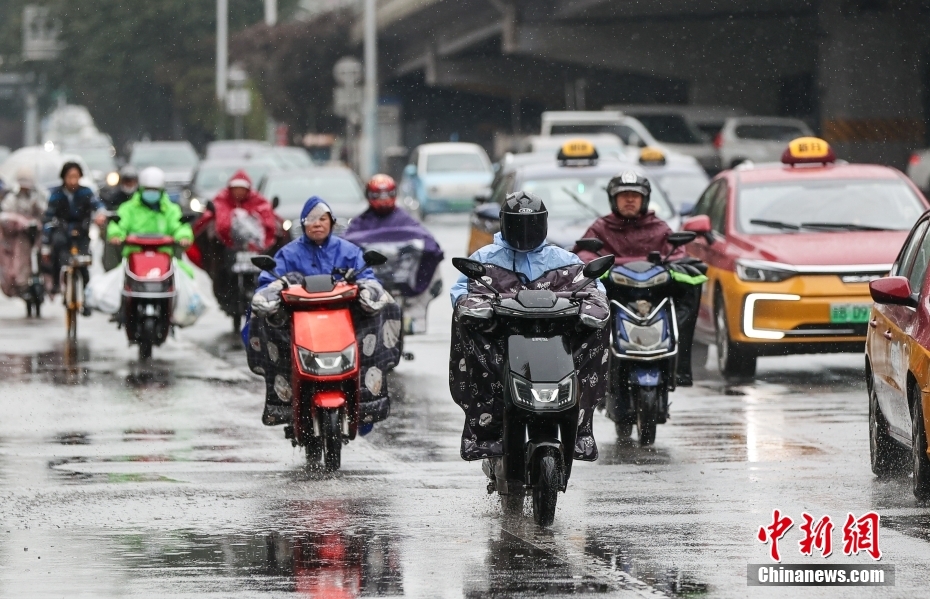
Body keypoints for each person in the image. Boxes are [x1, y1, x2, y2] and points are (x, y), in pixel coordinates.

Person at [449, 191, 609, 461]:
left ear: (543, 223)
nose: (525, 232)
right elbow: (461, 292)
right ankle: (486, 431)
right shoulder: (484, 258)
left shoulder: (564, 259)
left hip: (556, 345)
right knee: (462, 319)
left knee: (601, 320)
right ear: (504, 223)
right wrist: (476, 308)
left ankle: (580, 427)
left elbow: (594, 289)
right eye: (517, 224)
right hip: (501, 344)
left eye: (532, 224)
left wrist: (591, 308)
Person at [247, 196, 402, 428]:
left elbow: (367, 278)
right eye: (311, 220)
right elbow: (268, 282)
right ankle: (283, 403)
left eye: (322, 219)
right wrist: (273, 292)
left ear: (332, 222)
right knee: (261, 316)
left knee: (388, 307)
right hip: (298, 324)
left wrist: (369, 291)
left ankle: (368, 400)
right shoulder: (288, 254)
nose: (317, 224)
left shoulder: (349, 251)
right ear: (303, 224)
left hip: (344, 323)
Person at [573, 170, 706, 386]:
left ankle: (680, 367)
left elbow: (678, 255)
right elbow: (583, 254)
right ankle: (588, 372)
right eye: (623, 195)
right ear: (613, 199)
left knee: (691, 285)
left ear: (644, 200)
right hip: (615, 298)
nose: (629, 200)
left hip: (654, 296)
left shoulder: (659, 228)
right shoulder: (600, 228)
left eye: (635, 195)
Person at [344, 174, 444, 334]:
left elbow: (431, 244)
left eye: (387, 195)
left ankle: (413, 317)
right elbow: (346, 246)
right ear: (369, 196)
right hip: (372, 281)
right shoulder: (361, 223)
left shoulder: (405, 219)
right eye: (377, 195)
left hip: (406, 281)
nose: (383, 200)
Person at [43, 161, 103, 304]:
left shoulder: (86, 192)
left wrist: (100, 213)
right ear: (63, 177)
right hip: (62, 231)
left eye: (76, 176)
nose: (72, 180)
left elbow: (97, 205)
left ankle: (86, 299)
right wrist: (46, 243)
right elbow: (48, 218)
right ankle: (57, 284)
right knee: (58, 250)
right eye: (70, 177)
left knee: (83, 264)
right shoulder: (55, 194)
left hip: (81, 230)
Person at [106, 166, 193, 257]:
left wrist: (184, 236)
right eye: (147, 189)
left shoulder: (171, 209)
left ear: (161, 191)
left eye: (155, 190)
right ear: (140, 189)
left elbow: (180, 226)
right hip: (133, 256)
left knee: (185, 271)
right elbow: (118, 224)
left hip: (165, 257)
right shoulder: (128, 208)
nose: (151, 193)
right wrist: (115, 235)